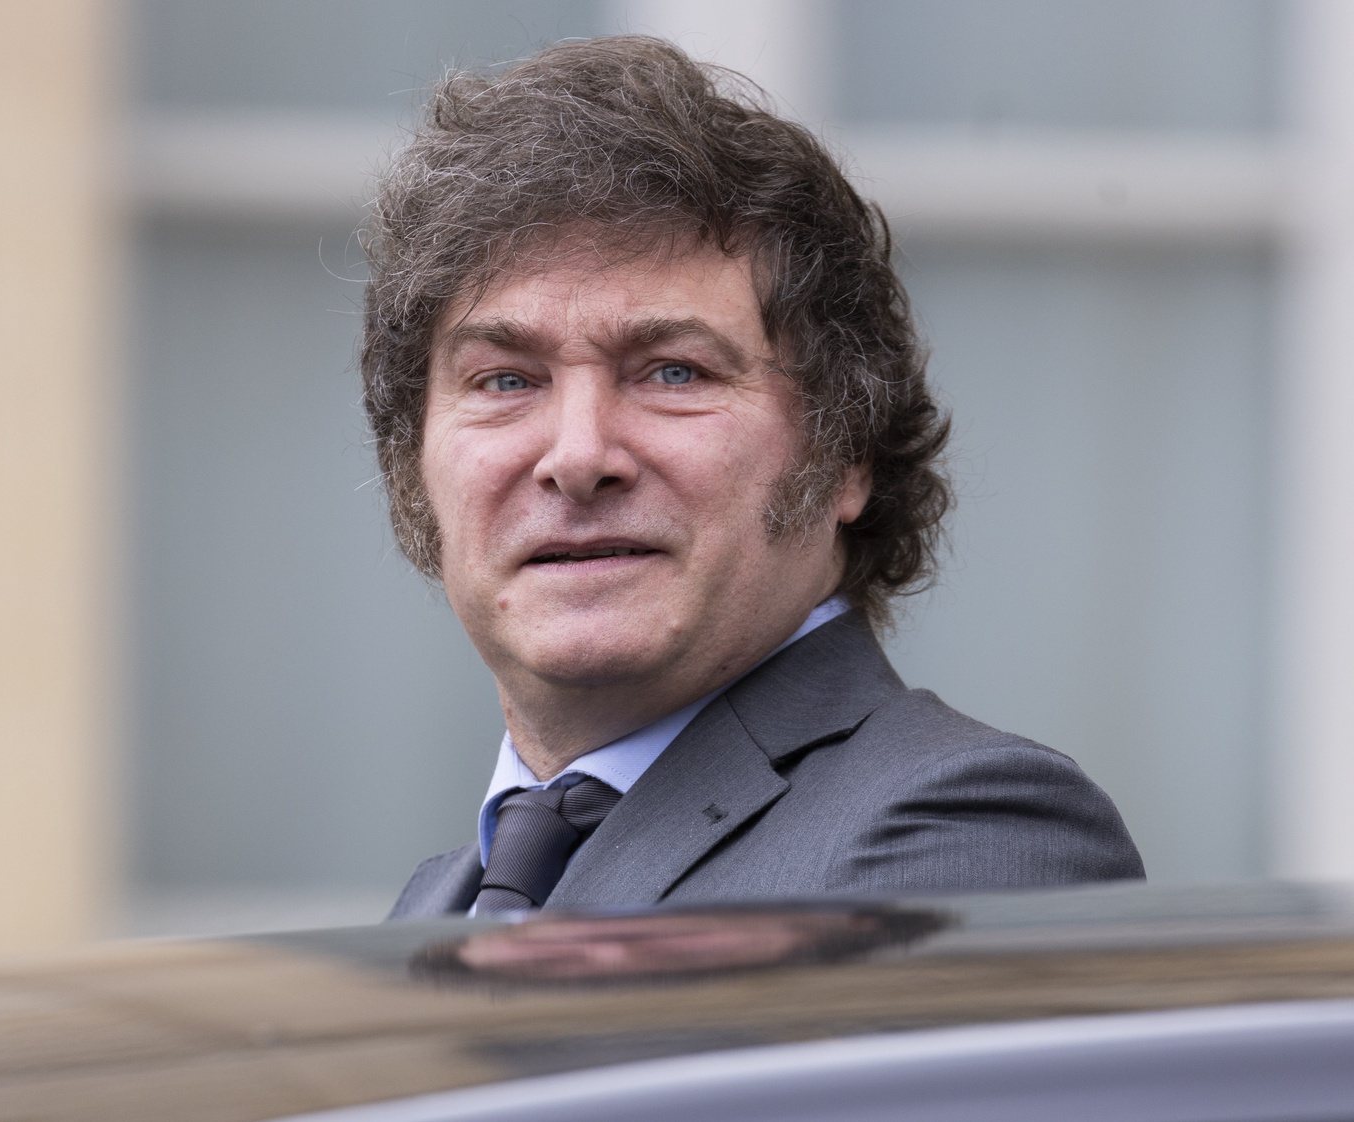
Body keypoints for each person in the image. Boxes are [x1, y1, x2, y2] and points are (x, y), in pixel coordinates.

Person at [362, 36, 1142, 920]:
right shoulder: (438, 903)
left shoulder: (967, 833)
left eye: (672, 372)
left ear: (844, 454)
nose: (577, 458)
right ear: (412, 467)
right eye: (505, 381)